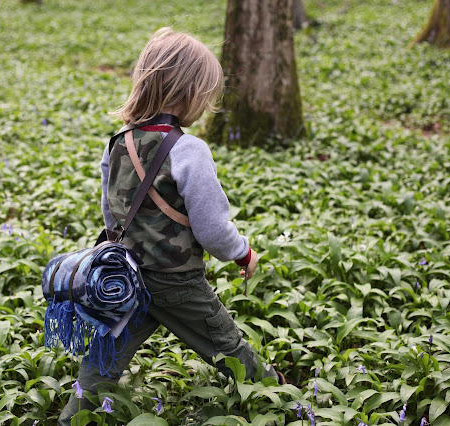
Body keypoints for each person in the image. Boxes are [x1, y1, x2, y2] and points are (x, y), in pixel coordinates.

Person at [58, 27, 284, 424]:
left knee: (105, 353)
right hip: (178, 282)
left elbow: (111, 214)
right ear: (188, 93)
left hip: (127, 278)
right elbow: (212, 228)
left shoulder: (117, 143)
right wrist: (243, 252)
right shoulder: (189, 150)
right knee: (225, 345)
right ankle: (276, 395)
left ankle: (74, 416)